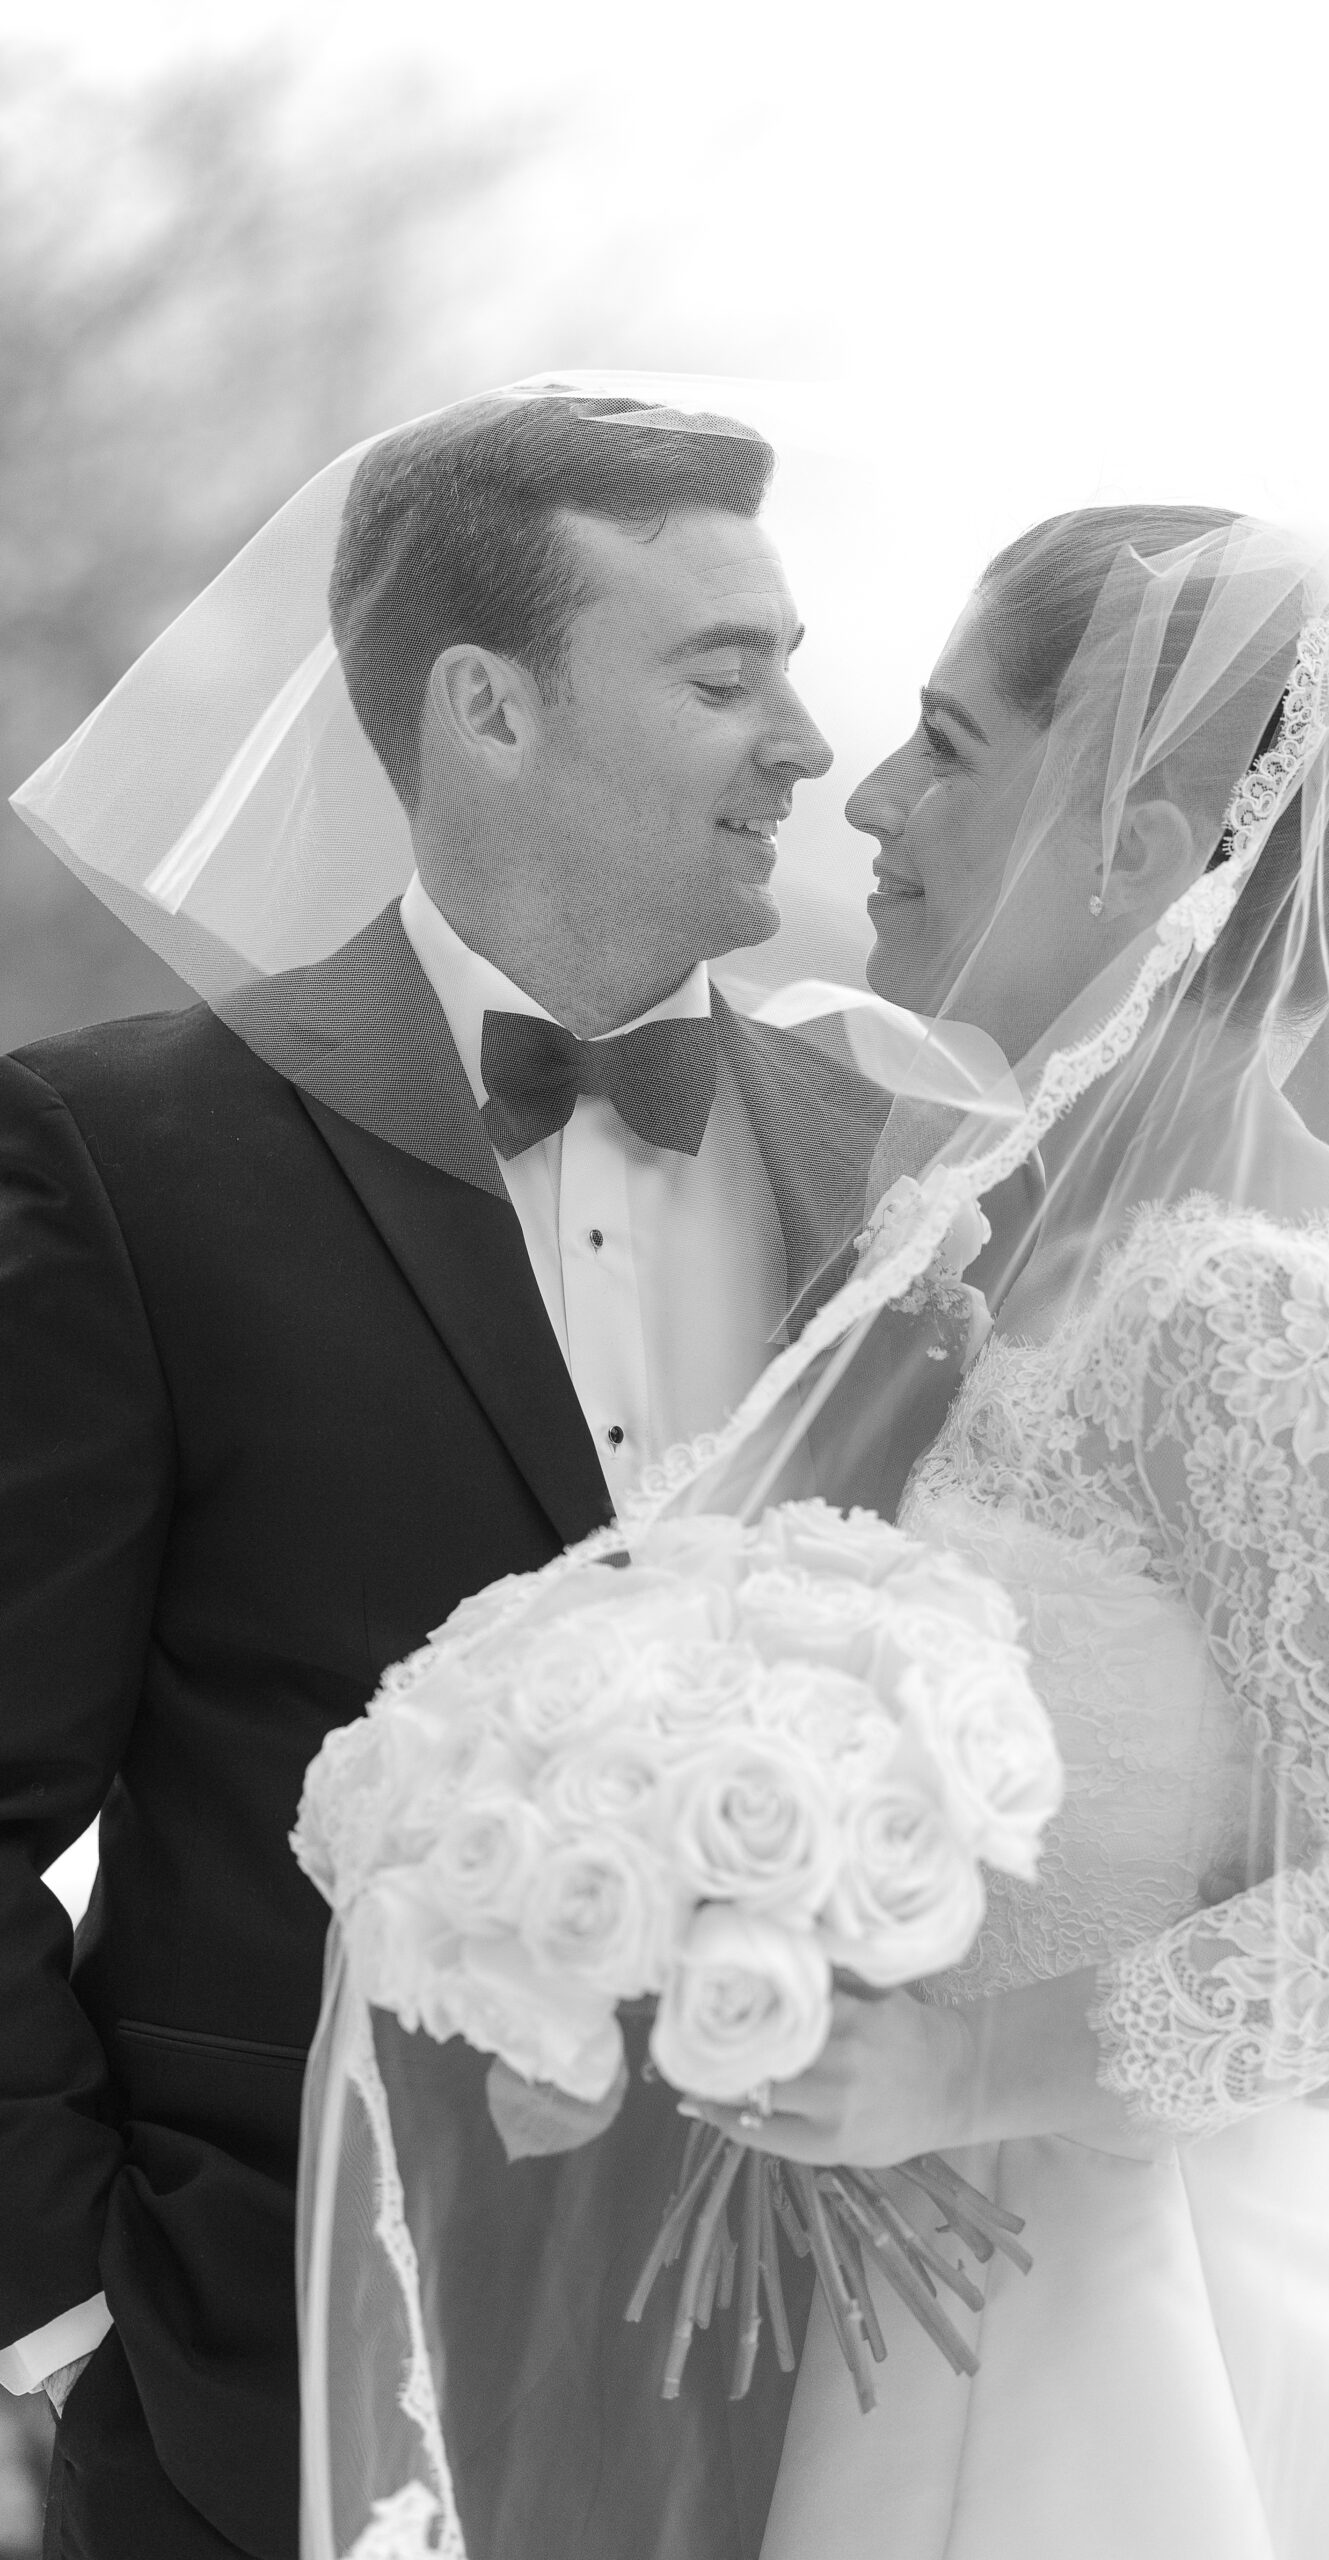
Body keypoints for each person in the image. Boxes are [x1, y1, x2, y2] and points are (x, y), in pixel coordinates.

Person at [619, 508, 1329, 2555]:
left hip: (1176, 2327)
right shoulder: (992, 1218)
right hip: (939, 2302)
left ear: (1127, 843)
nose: (870, 791)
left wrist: (953, 2069)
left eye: (944, 741)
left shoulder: (1249, 1295)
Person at [0, 388, 886, 2560]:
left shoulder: (902, 1168)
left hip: (855, 2391)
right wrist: (65, 2324)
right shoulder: (121, 1158)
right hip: (278, 2399)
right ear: (488, 707)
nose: (806, 742)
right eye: (723, 669)